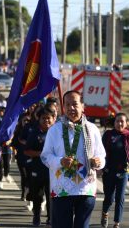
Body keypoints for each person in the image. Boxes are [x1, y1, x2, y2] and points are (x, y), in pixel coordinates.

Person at [41, 90, 106, 228]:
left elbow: (102, 155)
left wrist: (98, 162)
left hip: (86, 188)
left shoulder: (92, 129)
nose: (71, 108)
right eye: (67, 104)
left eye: (75, 104)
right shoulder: (55, 130)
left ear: (83, 106)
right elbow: (45, 156)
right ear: (63, 107)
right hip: (61, 189)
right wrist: (60, 161)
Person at [24, 106, 56, 226]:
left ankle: (50, 217)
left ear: (53, 119)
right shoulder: (34, 132)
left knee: (51, 196)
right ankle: (36, 216)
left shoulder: (57, 134)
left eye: (49, 118)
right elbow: (26, 151)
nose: (46, 121)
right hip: (37, 169)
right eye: (43, 118)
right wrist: (41, 154)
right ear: (39, 119)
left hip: (53, 171)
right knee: (37, 196)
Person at [101, 113, 129, 228]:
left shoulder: (128, 135)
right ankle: (105, 213)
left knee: (120, 198)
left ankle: (117, 223)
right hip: (109, 171)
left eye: (122, 121)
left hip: (123, 171)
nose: (120, 124)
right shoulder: (108, 134)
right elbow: (100, 151)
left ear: (127, 123)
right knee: (109, 197)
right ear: (114, 122)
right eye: (118, 121)